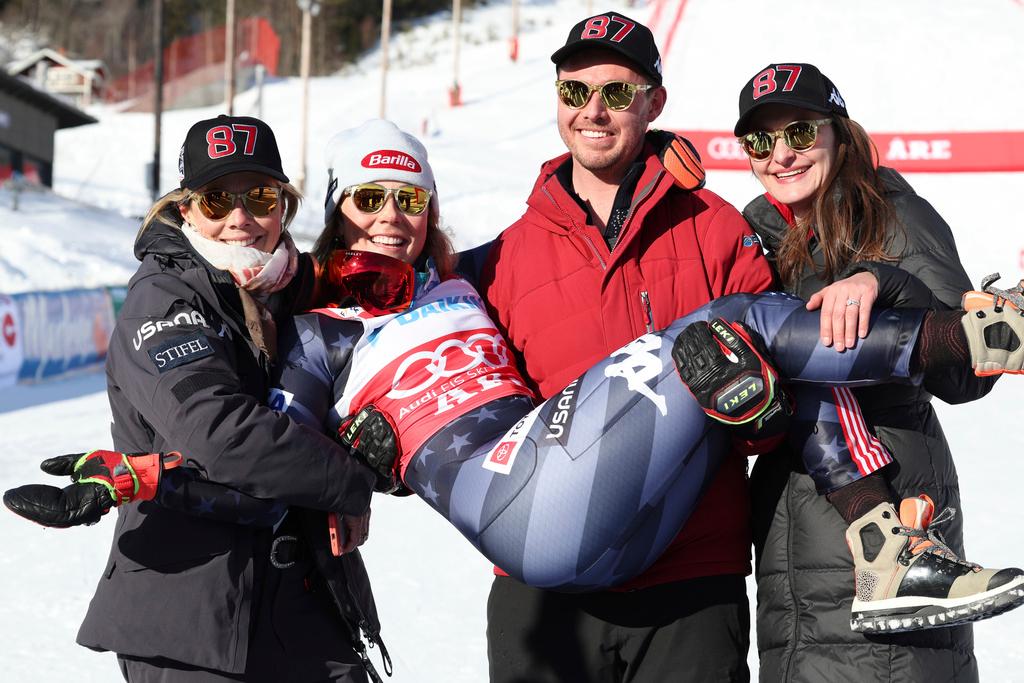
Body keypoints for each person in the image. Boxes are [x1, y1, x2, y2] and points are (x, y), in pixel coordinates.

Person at [3, 115, 387, 683]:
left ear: (284, 206)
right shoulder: (162, 298)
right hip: (192, 618)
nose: (240, 219)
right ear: (186, 211)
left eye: (259, 196)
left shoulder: (285, 284)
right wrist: (353, 481)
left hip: (304, 603)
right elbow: (222, 433)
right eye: (215, 200)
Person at [732, 63, 1005, 681]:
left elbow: (970, 379)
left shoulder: (891, 213)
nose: (781, 155)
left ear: (838, 133)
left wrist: (885, 281)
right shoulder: (753, 233)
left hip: (896, 501)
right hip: (789, 529)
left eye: (800, 133)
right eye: (760, 141)